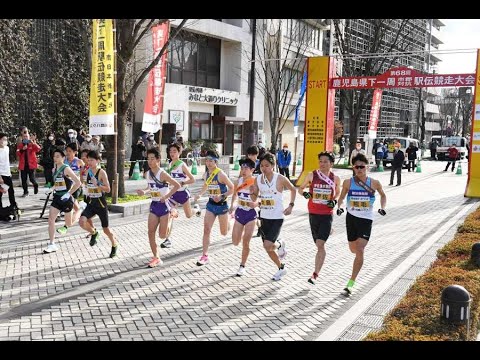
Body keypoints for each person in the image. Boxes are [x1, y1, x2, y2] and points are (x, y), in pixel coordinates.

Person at [336, 153, 387, 295]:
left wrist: (382, 208)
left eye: (362, 167)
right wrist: (339, 207)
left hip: (366, 220)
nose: (359, 169)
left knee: (360, 249)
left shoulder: (374, 182)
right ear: (353, 167)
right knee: (353, 249)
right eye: (356, 167)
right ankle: (356, 260)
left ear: (367, 167)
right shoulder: (348, 182)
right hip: (351, 218)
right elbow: (341, 198)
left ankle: (351, 283)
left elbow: (383, 195)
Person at [251, 152, 296, 281]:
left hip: (277, 217)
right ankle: (281, 268)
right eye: (261, 166)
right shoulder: (258, 179)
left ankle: (281, 243)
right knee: (269, 248)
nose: (264, 168)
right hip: (264, 216)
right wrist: (252, 193)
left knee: (267, 245)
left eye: (266, 165)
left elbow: (293, 189)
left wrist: (291, 205)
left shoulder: (280, 178)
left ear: (273, 165)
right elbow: (254, 197)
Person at [297, 151, 340, 285]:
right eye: (320, 161)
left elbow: (338, 192)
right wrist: (305, 195)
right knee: (317, 243)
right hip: (313, 213)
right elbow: (300, 189)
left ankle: (315, 274)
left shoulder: (335, 178)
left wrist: (335, 200)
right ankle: (328, 231)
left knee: (320, 245)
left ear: (331, 163)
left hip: (327, 214)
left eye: (325, 161)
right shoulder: (312, 175)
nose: (322, 164)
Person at [136, 148, 180, 267]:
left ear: (158, 160)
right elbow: (150, 187)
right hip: (154, 205)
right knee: (150, 232)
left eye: (152, 159)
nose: (149, 161)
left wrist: (166, 196)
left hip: (164, 206)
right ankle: (156, 257)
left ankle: (171, 216)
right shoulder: (148, 173)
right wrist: (144, 192)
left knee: (162, 236)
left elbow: (177, 185)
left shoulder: (163, 174)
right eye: (148, 159)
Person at [193, 150, 234, 266]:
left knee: (224, 232)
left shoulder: (221, 174)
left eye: (211, 161)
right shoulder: (206, 174)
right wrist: (200, 194)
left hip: (222, 206)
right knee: (206, 229)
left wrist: (222, 196)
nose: (208, 163)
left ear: (216, 162)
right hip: (211, 205)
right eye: (207, 160)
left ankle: (231, 219)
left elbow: (232, 188)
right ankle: (205, 255)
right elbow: (206, 185)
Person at [79, 151, 119, 258]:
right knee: (82, 221)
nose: (90, 162)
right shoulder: (87, 171)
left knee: (106, 229)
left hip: (100, 203)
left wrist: (98, 184)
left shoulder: (101, 172)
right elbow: (84, 185)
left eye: (92, 160)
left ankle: (114, 244)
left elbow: (108, 189)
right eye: (89, 160)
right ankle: (94, 232)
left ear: (97, 161)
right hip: (91, 202)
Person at [43, 148, 81, 254]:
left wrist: (68, 193)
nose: (55, 158)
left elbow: (78, 183)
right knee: (51, 220)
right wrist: (51, 189)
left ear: (63, 158)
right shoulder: (54, 169)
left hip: (66, 199)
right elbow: (57, 183)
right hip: (57, 198)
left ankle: (80, 210)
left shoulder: (66, 168)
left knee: (68, 223)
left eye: (58, 156)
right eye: (54, 156)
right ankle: (52, 244)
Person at [160, 142, 195, 249]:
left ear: (179, 152)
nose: (172, 153)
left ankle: (196, 210)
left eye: (174, 151)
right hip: (173, 194)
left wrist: (183, 183)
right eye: (170, 151)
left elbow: (193, 179)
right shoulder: (170, 165)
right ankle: (167, 240)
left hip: (183, 193)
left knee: (189, 215)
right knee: (170, 215)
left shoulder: (182, 165)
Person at [229, 158, 258, 276]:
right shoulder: (238, 181)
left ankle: (242, 266)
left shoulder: (255, 182)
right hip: (240, 212)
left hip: (251, 214)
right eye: (242, 168)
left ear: (252, 170)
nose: (243, 170)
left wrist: (255, 202)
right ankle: (237, 229)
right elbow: (234, 195)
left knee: (246, 242)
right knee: (235, 242)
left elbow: (260, 198)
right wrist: (232, 205)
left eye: (246, 168)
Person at [56, 143, 85, 235]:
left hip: (76, 188)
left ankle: (65, 226)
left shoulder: (79, 161)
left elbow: (85, 173)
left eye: (70, 151)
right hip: (66, 188)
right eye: (66, 151)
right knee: (77, 209)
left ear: (75, 152)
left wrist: (83, 182)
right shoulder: (64, 162)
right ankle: (92, 230)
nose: (67, 153)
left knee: (71, 206)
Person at [16, 132, 41, 197]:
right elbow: (17, 153)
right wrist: (22, 149)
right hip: (23, 166)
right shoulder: (20, 145)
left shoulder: (32, 144)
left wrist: (34, 143)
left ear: (29, 137)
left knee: (32, 179)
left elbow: (38, 149)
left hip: (31, 165)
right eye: (24, 137)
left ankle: (35, 185)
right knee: (23, 180)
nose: (25, 138)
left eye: (26, 136)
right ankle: (25, 192)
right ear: (22, 137)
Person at [0, 133, 17, 213]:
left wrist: (9, 173)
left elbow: (7, 162)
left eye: (6, 140)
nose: (5, 141)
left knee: (11, 191)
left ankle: (13, 206)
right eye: (4, 139)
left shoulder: (7, 148)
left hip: (7, 174)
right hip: (1, 175)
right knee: (1, 192)